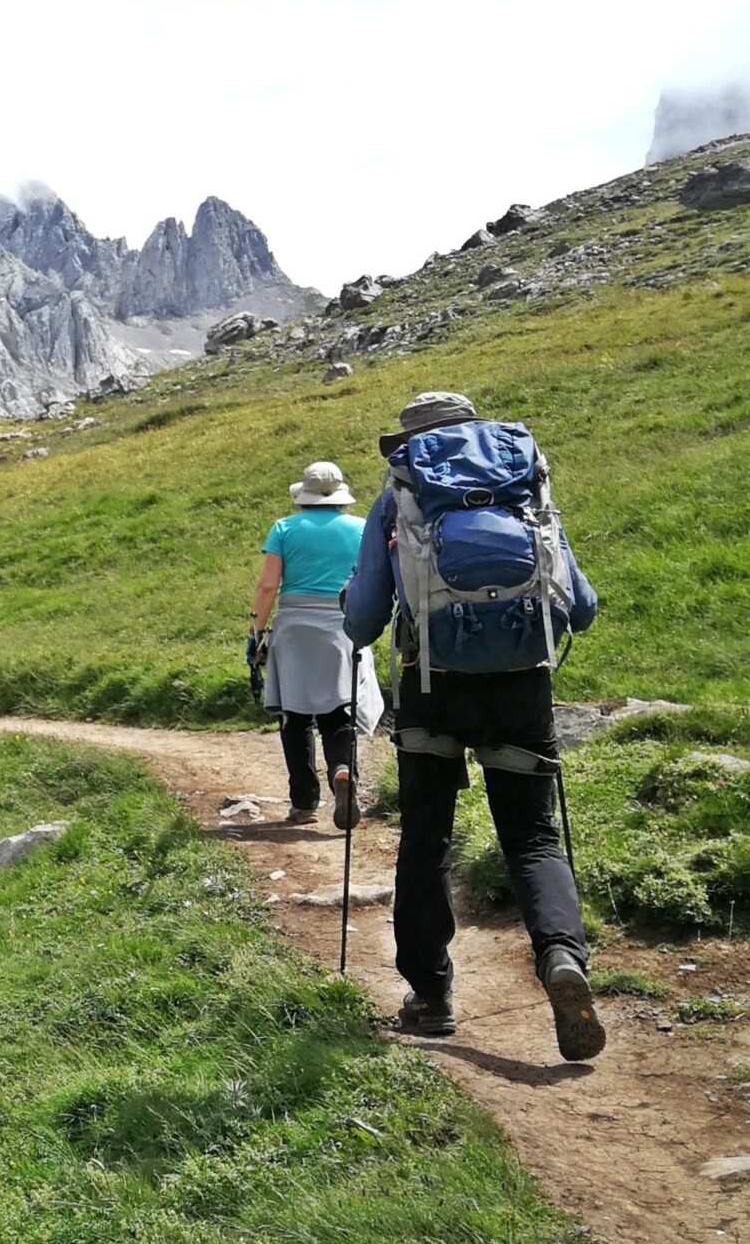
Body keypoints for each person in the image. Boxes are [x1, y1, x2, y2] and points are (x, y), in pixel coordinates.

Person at [344, 391, 605, 1061]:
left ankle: (430, 997)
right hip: (521, 683)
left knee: (427, 835)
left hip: (433, 684)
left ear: (408, 445)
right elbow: (579, 608)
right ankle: (561, 961)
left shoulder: (399, 495)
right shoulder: (524, 484)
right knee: (533, 837)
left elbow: (363, 620)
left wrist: (357, 606)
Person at [250, 461, 371, 828]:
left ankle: (304, 803)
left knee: (295, 715)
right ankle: (343, 768)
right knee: (338, 709)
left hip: (294, 626)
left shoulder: (284, 528)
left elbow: (268, 586)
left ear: (303, 495)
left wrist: (256, 631)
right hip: (341, 625)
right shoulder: (362, 528)